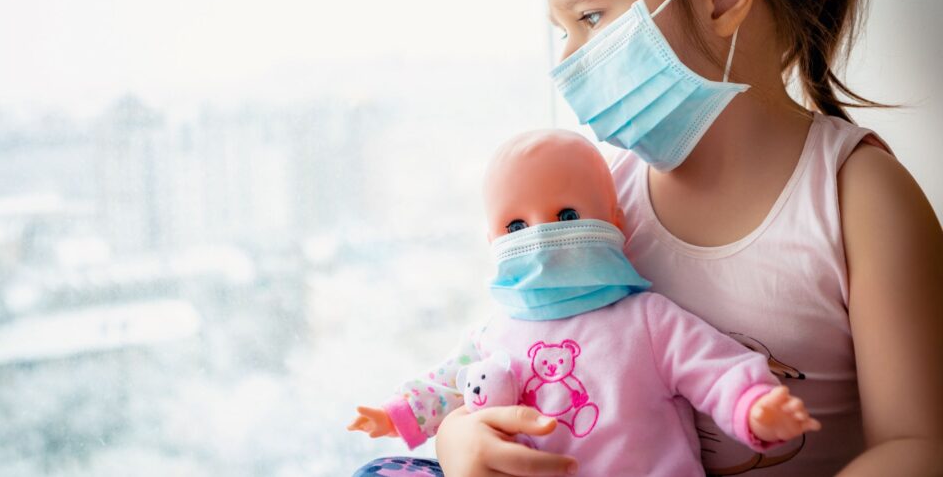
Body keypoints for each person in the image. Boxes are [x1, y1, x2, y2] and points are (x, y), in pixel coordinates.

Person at [353, 0, 942, 477]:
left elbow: (918, 445)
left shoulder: (859, 197)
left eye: (591, 17)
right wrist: (460, 438)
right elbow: (520, 344)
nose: (568, 59)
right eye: (563, 29)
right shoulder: (607, 197)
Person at [349, 129, 821, 476]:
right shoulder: (492, 334)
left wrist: (753, 405)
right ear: (492, 241)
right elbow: (448, 383)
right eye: (517, 227)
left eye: (567, 215)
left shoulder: (646, 321)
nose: (541, 234)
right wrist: (396, 413)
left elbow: (714, 368)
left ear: (616, 223)